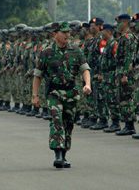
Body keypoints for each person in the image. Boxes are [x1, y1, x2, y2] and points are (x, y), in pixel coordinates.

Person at [31, 21, 91, 168]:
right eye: (63, 32)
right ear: (55, 34)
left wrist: (87, 84)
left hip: (71, 93)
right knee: (56, 121)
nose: (67, 35)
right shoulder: (46, 52)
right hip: (54, 93)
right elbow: (37, 76)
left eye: (68, 32)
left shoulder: (76, 50)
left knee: (68, 124)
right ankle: (57, 154)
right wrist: (35, 95)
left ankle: (63, 154)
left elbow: (85, 69)